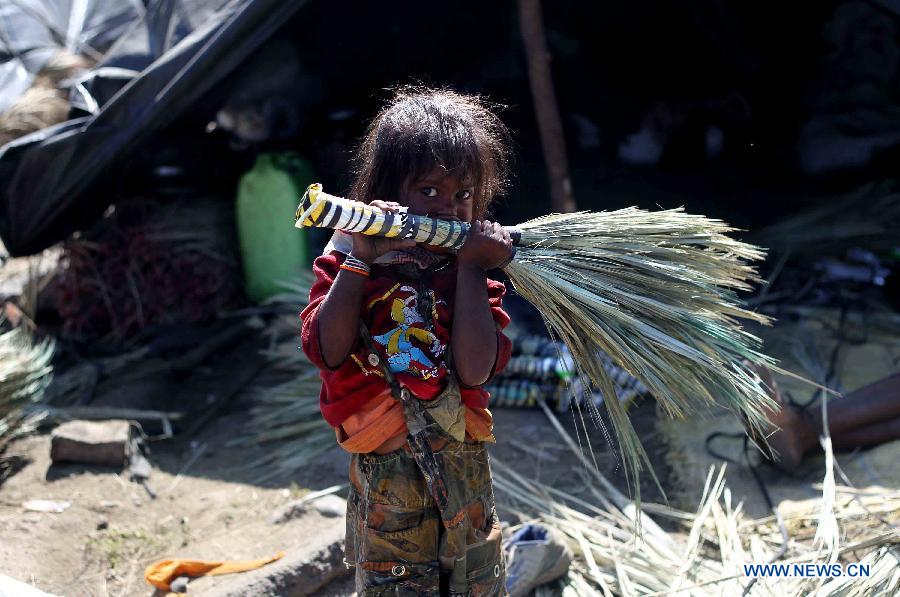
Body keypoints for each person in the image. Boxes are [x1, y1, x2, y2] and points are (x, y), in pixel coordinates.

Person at [300, 87, 515, 596]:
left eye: (464, 195)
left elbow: (475, 370)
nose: (448, 210)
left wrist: (469, 266)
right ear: (388, 191)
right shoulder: (351, 257)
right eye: (429, 192)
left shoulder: (470, 272)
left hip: (461, 462)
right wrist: (360, 259)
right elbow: (327, 351)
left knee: (472, 577)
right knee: (394, 582)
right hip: (386, 468)